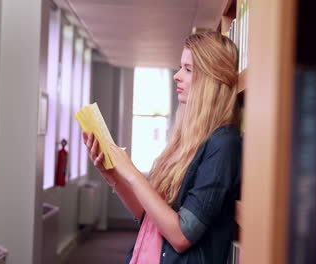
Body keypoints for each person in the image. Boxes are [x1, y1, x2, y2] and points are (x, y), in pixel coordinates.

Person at [82, 31, 242, 264]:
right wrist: (113, 175)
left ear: (211, 78)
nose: (177, 76)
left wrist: (133, 174)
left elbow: (181, 235)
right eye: (180, 67)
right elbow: (149, 217)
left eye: (188, 69)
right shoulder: (189, 139)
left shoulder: (223, 145)